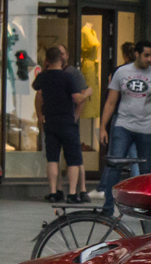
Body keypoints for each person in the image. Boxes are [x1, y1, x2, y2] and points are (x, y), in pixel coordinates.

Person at [98, 40, 151, 214]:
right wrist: (103, 127)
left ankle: (147, 207)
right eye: (146, 55)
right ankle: (108, 206)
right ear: (136, 54)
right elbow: (111, 101)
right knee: (114, 164)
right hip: (123, 124)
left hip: (146, 126)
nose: (149, 59)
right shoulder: (122, 72)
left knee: (146, 169)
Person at [32, 45, 88, 203]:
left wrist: (44, 69)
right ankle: (71, 194)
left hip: (50, 121)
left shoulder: (43, 77)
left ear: (47, 60)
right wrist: (87, 94)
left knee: (52, 159)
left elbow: (36, 88)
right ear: (62, 59)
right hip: (67, 122)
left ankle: (53, 192)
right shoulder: (68, 77)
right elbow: (77, 98)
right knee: (73, 160)